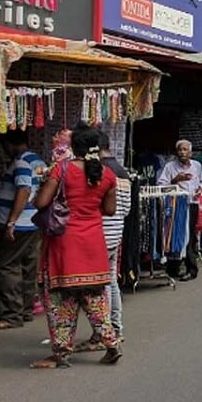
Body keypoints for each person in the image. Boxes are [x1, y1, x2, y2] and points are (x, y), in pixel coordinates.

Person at [30, 125, 121, 368]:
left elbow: (41, 203)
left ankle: (61, 353)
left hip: (64, 244)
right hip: (94, 244)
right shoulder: (108, 175)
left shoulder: (63, 169)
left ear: (73, 147)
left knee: (61, 302)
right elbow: (110, 210)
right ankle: (111, 343)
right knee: (96, 300)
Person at [74, 131, 132, 352]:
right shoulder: (122, 171)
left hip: (98, 234)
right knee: (111, 283)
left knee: (96, 288)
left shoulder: (100, 171)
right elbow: (125, 210)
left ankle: (102, 334)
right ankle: (115, 329)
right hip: (116, 233)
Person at [0, 130, 47, 331]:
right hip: (33, 223)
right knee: (28, 266)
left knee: (5, 265)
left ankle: (11, 315)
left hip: (19, 224)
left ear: (9, 144)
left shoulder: (20, 162)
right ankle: (25, 309)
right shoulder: (39, 161)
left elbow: (24, 189)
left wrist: (11, 221)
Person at [156, 139, 202, 281]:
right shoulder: (170, 167)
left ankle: (191, 269)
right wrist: (175, 180)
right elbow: (161, 185)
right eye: (180, 150)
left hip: (192, 204)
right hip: (176, 205)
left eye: (185, 150)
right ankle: (173, 268)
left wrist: (199, 190)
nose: (182, 152)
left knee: (190, 236)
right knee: (175, 235)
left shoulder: (197, 166)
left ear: (190, 152)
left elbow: (201, 182)